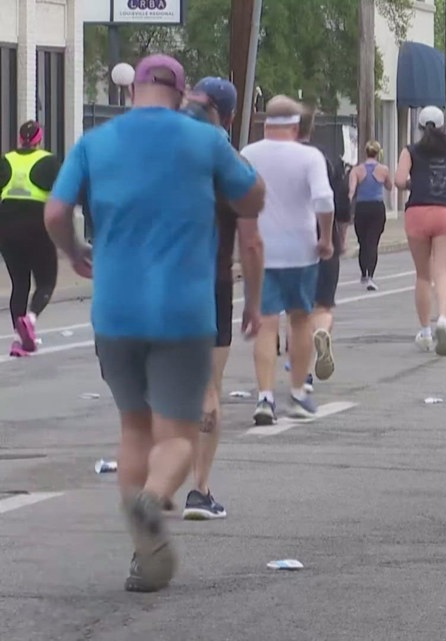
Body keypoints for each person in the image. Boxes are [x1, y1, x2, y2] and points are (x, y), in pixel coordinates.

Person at [43, 54, 265, 592]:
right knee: (179, 435)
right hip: (183, 311)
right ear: (181, 92)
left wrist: (73, 252)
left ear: (133, 90)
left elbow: (54, 212)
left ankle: (144, 553)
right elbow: (253, 195)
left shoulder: (96, 142)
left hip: (115, 310)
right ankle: (151, 501)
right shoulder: (203, 140)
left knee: (133, 427)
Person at [179, 76, 265, 521]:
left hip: (152, 280)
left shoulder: (157, 149)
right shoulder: (227, 159)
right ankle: (199, 489)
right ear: (228, 116)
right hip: (210, 281)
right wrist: (254, 300)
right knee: (209, 386)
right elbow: (250, 241)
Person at [241, 96, 334, 425]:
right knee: (300, 320)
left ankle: (264, 397)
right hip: (301, 249)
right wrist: (326, 238)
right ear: (296, 126)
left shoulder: (248, 155)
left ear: (265, 123)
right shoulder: (309, 156)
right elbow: (323, 198)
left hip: (261, 250)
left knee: (266, 323)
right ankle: (297, 393)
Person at [394, 105, 446, 355]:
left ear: (419, 126)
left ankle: (425, 331)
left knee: (422, 275)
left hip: (417, 212)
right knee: (442, 273)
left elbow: (398, 180)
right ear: (442, 125)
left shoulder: (410, 151)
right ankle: (443, 319)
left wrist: (414, 182)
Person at [299, 105, 352, 387]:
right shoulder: (325, 160)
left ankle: (302, 373)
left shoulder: (272, 157)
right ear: (312, 128)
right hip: (323, 237)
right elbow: (339, 201)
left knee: (297, 312)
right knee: (322, 305)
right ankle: (322, 331)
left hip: (289, 242)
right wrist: (336, 232)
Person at [0, 120, 59, 357]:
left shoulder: (6, 160)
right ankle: (31, 320)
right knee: (46, 282)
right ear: (39, 139)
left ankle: (18, 339)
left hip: (7, 230)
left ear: (20, 139)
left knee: (19, 285)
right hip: (37, 229)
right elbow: (64, 195)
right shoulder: (48, 161)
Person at [348, 140, 392, 291]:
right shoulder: (383, 169)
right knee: (373, 242)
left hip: (361, 207)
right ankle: (371, 275)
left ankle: (363, 273)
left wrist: (348, 204)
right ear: (378, 153)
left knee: (363, 242)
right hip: (377, 207)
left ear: (365, 152)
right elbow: (389, 186)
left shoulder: (357, 170)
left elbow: (352, 190)